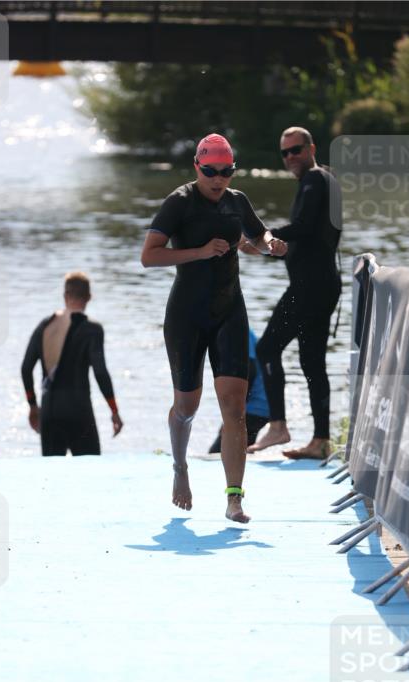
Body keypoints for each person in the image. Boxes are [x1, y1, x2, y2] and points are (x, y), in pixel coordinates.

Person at [141, 133, 287, 523]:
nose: (218, 178)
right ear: (197, 167)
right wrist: (200, 253)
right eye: (211, 171)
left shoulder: (237, 202)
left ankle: (234, 498)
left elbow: (258, 235)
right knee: (187, 407)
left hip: (229, 312)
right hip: (186, 316)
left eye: (226, 171)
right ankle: (180, 467)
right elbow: (148, 256)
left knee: (234, 409)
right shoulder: (179, 202)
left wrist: (271, 243)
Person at [247, 126, 341, 460]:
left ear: (311, 148)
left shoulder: (315, 180)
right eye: (285, 153)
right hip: (323, 283)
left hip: (309, 287)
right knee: (312, 362)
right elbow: (313, 238)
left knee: (267, 348)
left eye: (296, 150)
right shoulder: (326, 180)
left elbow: (301, 228)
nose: (290, 158)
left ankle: (277, 425)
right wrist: (276, 250)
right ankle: (320, 441)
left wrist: (262, 238)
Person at [21, 271, 123, 456]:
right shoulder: (92, 329)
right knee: (89, 472)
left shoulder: (45, 325)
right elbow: (100, 372)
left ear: (65, 296)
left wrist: (33, 406)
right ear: (89, 297)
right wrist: (114, 410)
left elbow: (25, 368)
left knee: (50, 477)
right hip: (79, 410)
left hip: (50, 411)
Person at [208, 329, 269, 453]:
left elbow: (250, 371)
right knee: (242, 452)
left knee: (216, 453)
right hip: (264, 406)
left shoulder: (240, 331)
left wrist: (236, 411)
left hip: (255, 406)